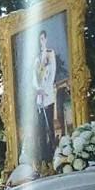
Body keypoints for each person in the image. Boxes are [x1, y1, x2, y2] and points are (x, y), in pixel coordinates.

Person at [34, 29, 59, 159]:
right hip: (40, 97)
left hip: (48, 94)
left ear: (46, 39)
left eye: (43, 39)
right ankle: (44, 156)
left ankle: (54, 151)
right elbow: (34, 76)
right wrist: (38, 88)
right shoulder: (37, 57)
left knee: (50, 125)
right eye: (40, 39)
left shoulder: (50, 53)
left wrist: (45, 89)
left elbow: (52, 72)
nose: (41, 41)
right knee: (41, 127)